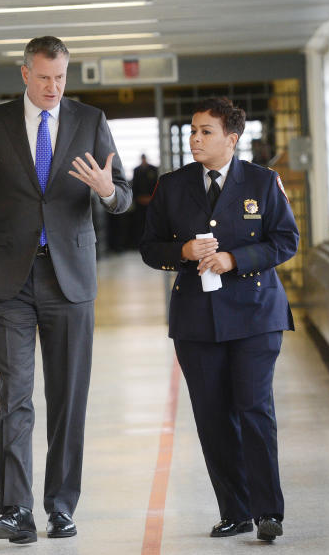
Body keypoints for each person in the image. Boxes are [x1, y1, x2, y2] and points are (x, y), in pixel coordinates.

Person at [0, 36, 131, 544]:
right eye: (44, 77)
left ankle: (61, 507)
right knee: (15, 396)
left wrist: (107, 191)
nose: (53, 87)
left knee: (68, 397)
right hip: (10, 279)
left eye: (61, 77)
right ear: (25, 74)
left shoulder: (90, 121)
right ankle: (15, 509)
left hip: (70, 278)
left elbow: (123, 195)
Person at [139, 97, 298, 542]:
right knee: (212, 416)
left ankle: (269, 512)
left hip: (255, 316)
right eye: (193, 130)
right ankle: (235, 510)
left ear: (232, 138)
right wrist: (183, 252)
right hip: (196, 320)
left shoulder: (263, 183)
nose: (195, 138)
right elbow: (151, 248)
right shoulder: (172, 186)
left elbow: (286, 241)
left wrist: (235, 258)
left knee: (253, 410)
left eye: (206, 132)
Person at [130, 154, 160, 246]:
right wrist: (138, 198)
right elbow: (134, 186)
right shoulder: (136, 170)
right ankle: (140, 242)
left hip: (151, 201)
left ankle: (153, 242)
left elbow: (157, 185)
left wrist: (152, 198)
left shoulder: (153, 169)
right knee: (140, 223)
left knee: (152, 222)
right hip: (139, 202)